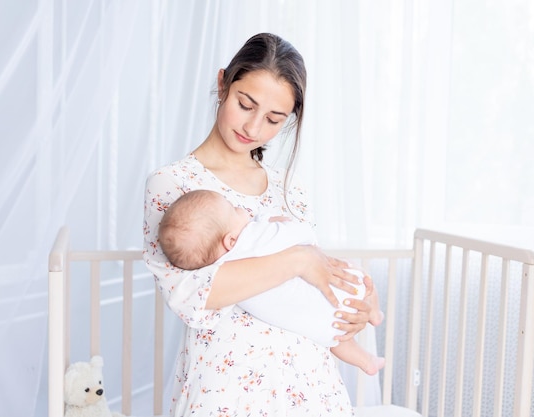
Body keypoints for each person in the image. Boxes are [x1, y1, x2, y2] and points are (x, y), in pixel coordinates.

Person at [143, 32, 378, 416]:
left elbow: (315, 273)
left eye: (273, 119)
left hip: (309, 381)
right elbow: (192, 294)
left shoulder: (289, 187)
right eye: (245, 104)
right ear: (223, 83)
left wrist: (359, 302)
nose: (253, 128)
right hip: (228, 386)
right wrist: (297, 260)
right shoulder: (174, 184)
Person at [157, 189, 385, 376]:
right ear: (230, 240)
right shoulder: (248, 240)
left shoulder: (216, 267)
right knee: (359, 277)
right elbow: (298, 236)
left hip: (311, 330)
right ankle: (374, 314)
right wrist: (279, 225)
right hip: (324, 304)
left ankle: (366, 360)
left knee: (334, 338)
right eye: (234, 209)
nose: (241, 209)